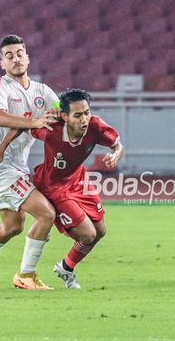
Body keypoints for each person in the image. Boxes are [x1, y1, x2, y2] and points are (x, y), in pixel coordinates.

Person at [0, 34, 59, 290]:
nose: (15, 59)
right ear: (1, 64)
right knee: (46, 214)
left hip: (16, 167)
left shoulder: (42, 91)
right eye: (9, 56)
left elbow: (60, 110)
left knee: (12, 226)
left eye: (19, 53)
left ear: (27, 57)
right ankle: (26, 276)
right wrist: (35, 122)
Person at [31, 89, 123, 289]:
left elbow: (118, 145)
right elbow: (26, 124)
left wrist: (115, 156)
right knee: (87, 234)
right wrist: (2, 150)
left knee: (100, 231)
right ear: (64, 116)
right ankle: (49, 223)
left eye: (87, 112)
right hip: (54, 186)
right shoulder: (52, 130)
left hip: (79, 180)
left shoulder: (96, 126)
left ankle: (66, 267)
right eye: (78, 115)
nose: (85, 119)